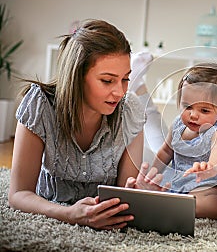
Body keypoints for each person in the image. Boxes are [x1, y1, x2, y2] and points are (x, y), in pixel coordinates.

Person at [8, 19, 166, 230]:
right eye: (108, 81)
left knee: (166, 148)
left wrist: (139, 194)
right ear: (76, 77)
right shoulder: (39, 105)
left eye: (125, 80)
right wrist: (70, 214)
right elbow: (18, 194)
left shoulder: (129, 111)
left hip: (143, 148)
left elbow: (124, 192)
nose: (120, 92)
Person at [152, 63, 217, 220]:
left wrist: (209, 168)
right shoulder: (177, 125)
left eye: (204, 110)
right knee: (159, 197)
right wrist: (151, 175)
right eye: (188, 107)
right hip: (182, 185)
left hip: (214, 186)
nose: (193, 115)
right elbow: (166, 151)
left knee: (199, 203)